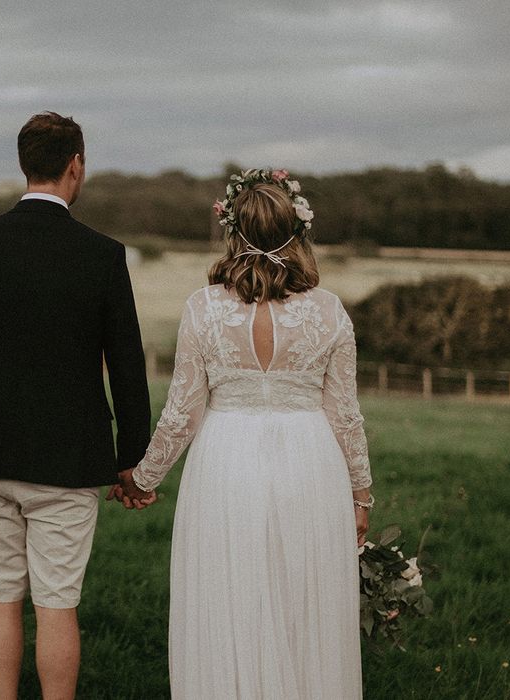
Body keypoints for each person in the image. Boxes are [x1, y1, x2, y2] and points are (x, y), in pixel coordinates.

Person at [112, 169, 373, 698]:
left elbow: (183, 409)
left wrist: (142, 477)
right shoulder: (328, 311)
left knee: (230, 596)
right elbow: (345, 411)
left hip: (227, 460)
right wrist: (360, 491)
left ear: (232, 232)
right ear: (297, 233)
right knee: (304, 600)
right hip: (310, 461)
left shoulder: (203, 307)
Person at [0, 111, 153, 700]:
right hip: (68, 460)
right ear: (75, 165)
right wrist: (133, 459)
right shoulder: (102, 255)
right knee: (57, 604)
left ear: (25, 164)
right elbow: (128, 368)